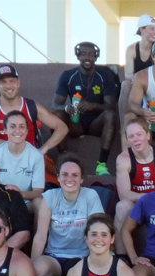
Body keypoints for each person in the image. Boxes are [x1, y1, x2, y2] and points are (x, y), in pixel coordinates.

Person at [31, 154, 105, 276]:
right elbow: (40, 236)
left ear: (81, 179)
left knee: (75, 270)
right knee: (39, 268)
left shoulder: (90, 195)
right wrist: (32, 266)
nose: (69, 179)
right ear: (58, 178)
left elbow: (98, 231)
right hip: (54, 256)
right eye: (65, 174)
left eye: (75, 175)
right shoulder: (50, 197)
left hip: (82, 256)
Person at [52, 41, 118, 176]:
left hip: (96, 124)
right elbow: (55, 104)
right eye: (83, 54)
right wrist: (66, 108)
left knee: (110, 115)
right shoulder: (68, 75)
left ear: (96, 57)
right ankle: (65, 157)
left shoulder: (105, 75)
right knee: (56, 116)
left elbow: (111, 106)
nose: (87, 58)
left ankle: (102, 164)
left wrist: (93, 105)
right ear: (78, 56)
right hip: (76, 122)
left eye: (91, 55)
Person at [0, 64, 67, 154]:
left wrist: (44, 149)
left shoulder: (32, 106)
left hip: (27, 158)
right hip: (0, 157)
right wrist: (8, 145)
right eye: (3, 82)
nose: (9, 86)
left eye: (12, 81)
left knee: (47, 164)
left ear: (18, 83)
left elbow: (62, 127)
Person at [113, 120, 155, 255]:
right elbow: (124, 194)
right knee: (122, 206)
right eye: (131, 136)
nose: (136, 140)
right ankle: (122, 257)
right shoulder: (123, 159)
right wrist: (150, 198)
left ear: (148, 135)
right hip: (138, 205)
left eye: (139, 134)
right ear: (127, 140)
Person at [0, 111, 45, 203]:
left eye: (22, 126)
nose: (18, 131)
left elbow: (38, 191)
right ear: (5, 130)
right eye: (12, 126)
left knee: (39, 202)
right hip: (0, 201)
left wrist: (20, 194)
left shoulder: (36, 156)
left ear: (27, 131)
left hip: (24, 201)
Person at [119, 15, 155, 120]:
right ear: (142, 29)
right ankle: (124, 127)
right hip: (136, 85)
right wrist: (139, 81)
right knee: (125, 84)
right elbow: (128, 75)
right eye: (152, 28)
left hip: (153, 86)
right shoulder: (131, 49)